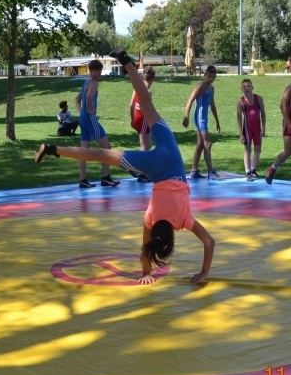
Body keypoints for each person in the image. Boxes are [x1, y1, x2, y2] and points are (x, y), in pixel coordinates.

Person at [35, 48, 216, 285]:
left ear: (172, 236)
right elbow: (144, 248)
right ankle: (52, 149)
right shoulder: (151, 219)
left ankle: (126, 61)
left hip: (171, 158)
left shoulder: (183, 219)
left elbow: (209, 242)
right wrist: (146, 273)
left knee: (146, 102)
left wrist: (203, 271)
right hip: (154, 169)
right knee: (101, 154)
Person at [74, 59, 119, 188]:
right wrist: (89, 109)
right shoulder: (93, 83)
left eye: (100, 70)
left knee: (83, 151)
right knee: (107, 147)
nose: (99, 73)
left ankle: (83, 180)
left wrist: (81, 112)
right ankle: (106, 178)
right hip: (89, 118)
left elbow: (77, 99)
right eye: (97, 70)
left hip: (83, 119)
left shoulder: (86, 82)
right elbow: (88, 97)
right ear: (91, 71)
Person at [182, 65, 221, 179]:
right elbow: (190, 100)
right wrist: (186, 116)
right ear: (205, 75)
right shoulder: (201, 86)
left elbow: (212, 105)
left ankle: (194, 171)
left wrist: (217, 121)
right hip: (199, 119)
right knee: (207, 143)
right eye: (209, 76)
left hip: (205, 119)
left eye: (213, 77)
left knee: (200, 145)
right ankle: (211, 171)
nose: (211, 79)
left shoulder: (211, 88)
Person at [129, 67, 157, 182]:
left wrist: (132, 119)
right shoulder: (147, 91)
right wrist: (153, 121)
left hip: (137, 118)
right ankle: (137, 169)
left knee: (147, 145)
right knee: (145, 147)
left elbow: (131, 105)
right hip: (144, 119)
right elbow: (149, 109)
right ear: (153, 79)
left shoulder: (137, 88)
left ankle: (135, 167)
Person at [236, 79, 266, 180]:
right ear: (241, 89)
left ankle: (253, 169)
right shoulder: (240, 102)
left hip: (257, 128)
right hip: (247, 128)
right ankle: (247, 171)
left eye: (248, 86)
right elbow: (239, 119)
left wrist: (264, 127)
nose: (246, 88)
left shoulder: (258, 99)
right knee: (247, 150)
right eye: (244, 86)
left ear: (252, 88)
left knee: (258, 150)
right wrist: (241, 134)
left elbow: (263, 113)